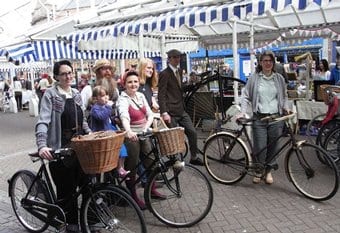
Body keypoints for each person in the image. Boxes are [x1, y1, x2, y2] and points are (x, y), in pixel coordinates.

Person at [35, 60, 91, 232]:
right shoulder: (50, 95)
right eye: (64, 73)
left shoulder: (76, 93)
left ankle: (88, 222)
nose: (68, 76)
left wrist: (91, 134)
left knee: (86, 185)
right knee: (67, 192)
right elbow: (43, 121)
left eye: (70, 72)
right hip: (59, 150)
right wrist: (42, 145)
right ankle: (71, 226)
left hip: (78, 149)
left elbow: (81, 121)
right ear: (56, 77)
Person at [239, 50, 289, 185]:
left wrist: (285, 107)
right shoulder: (254, 78)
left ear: (273, 62)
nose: (268, 63)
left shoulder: (279, 78)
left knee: (273, 145)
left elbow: (284, 96)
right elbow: (245, 95)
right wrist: (243, 112)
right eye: (265, 61)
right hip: (259, 117)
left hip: (275, 117)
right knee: (260, 146)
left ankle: (268, 171)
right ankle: (258, 170)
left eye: (270, 61)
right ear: (260, 63)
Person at [118, 70, 165, 210]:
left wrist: (145, 127)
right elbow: (124, 116)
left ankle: (152, 189)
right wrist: (128, 131)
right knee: (131, 166)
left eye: (135, 82)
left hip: (144, 133)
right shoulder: (123, 99)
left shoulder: (141, 95)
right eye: (130, 82)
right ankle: (133, 194)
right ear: (124, 84)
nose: (133, 84)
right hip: (131, 135)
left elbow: (150, 114)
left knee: (151, 161)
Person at [158, 49, 204, 166]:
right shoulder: (164, 74)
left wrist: (192, 85)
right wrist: (164, 112)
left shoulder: (179, 71)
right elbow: (161, 95)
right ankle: (175, 160)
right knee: (173, 138)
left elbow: (180, 89)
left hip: (181, 109)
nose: (178, 59)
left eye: (179, 57)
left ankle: (193, 156)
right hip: (171, 111)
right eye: (175, 57)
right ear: (169, 59)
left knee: (192, 132)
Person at [89, 85, 129, 178]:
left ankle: (121, 168)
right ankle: (116, 170)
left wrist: (115, 119)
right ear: (95, 98)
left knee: (122, 149)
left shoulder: (105, 106)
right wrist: (108, 107)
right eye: (102, 96)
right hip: (101, 134)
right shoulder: (95, 109)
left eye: (106, 94)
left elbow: (108, 119)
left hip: (110, 131)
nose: (106, 97)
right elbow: (101, 117)